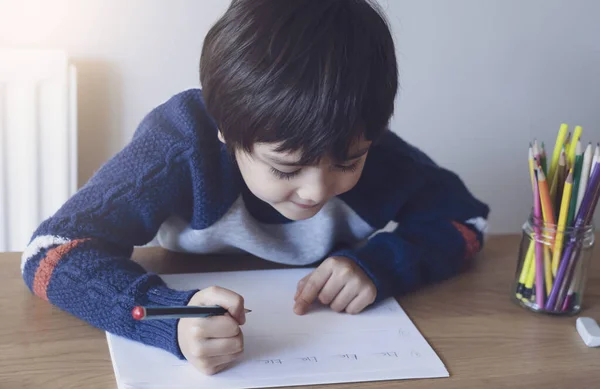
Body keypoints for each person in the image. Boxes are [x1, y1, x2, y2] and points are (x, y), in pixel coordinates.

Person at [21, 0, 489, 375]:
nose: (316, 189)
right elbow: (49, 252)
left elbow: (467, 219)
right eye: (286, 169)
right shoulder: (179, 146)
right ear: (226, 130)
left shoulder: (376, 149)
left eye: (348, 162)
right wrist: (166, 317)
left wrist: (384, 264)